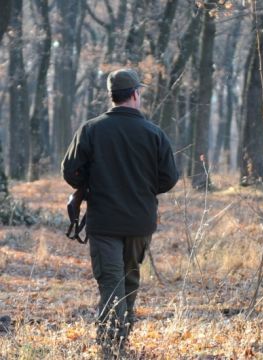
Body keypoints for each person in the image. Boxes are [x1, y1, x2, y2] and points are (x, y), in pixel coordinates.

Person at [61, 68, 179, 355]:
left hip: (104, 222)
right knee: (128, 280)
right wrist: (143, 188)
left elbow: (70, 171)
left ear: (111, 96)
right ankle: (118, 343)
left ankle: (111, 346)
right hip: (140, 222)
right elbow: (169, 178)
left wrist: (89, 183)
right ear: (136, 94)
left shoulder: (91, 129)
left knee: (112, 282)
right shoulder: (154, 133)